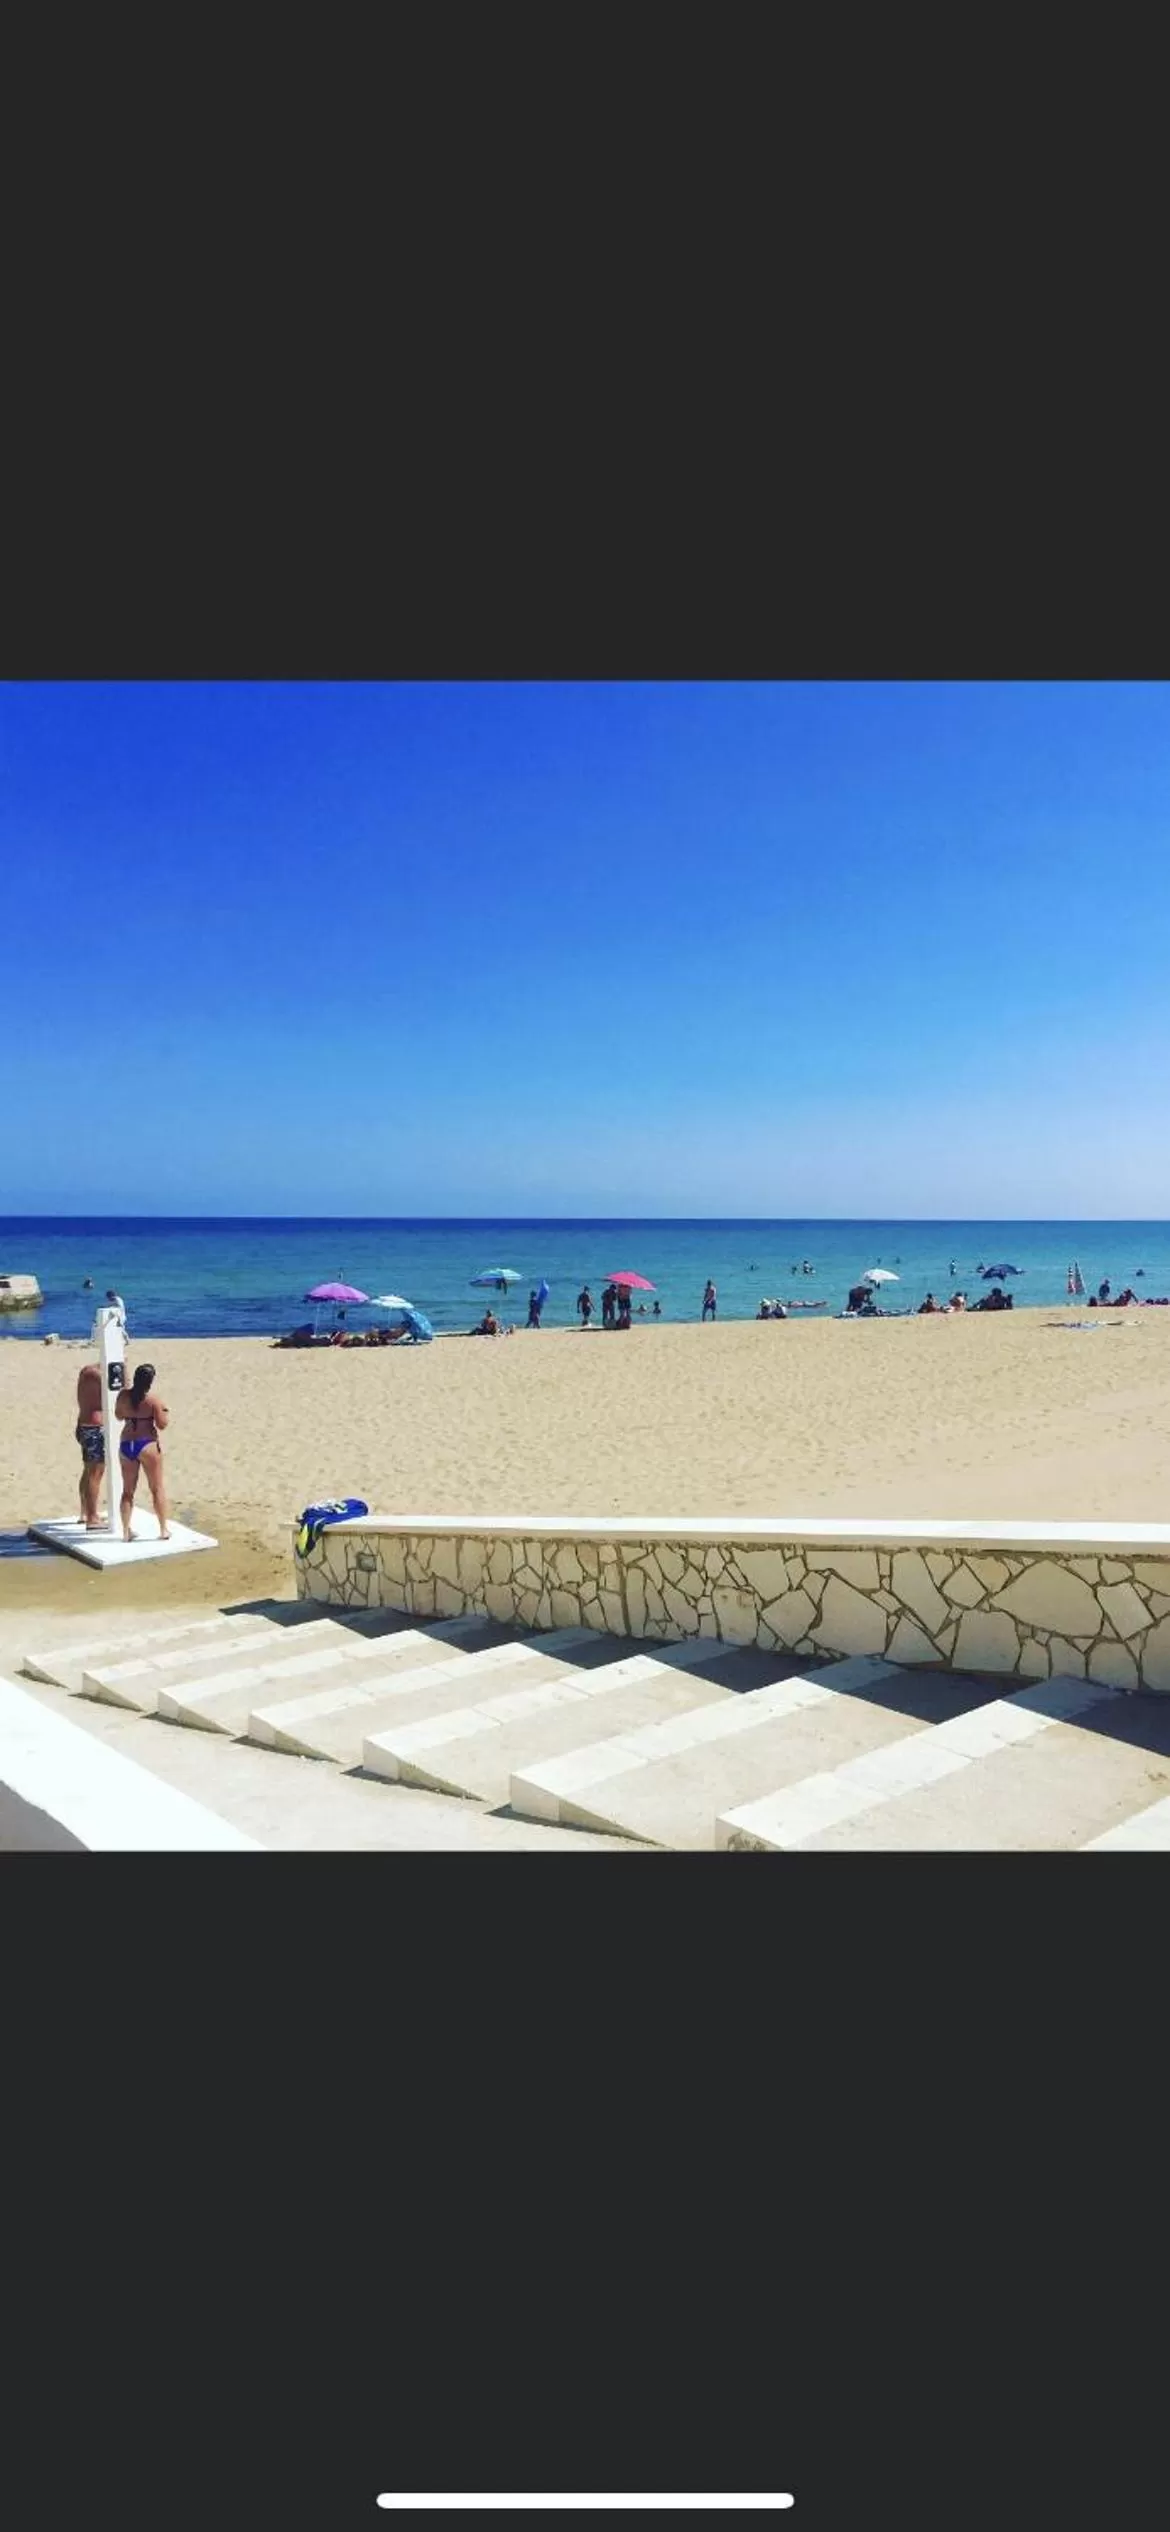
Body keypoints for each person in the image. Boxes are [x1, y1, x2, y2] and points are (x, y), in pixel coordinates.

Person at [114, 1360, 170, 1542]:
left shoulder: (123, 1396)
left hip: (127, 1443)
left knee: (127, 1491)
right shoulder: (153, 1400)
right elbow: (162, 1425)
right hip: (147, 1443)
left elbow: (118, 1415)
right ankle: (163, 1529)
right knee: (157, 1488)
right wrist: (164, 1411)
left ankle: (125, 1531)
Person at [75, 1357, 106, 1529]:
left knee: (88, 1470)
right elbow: (122, 1391)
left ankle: (84, 1512)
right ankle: (92, 1517)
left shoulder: (87, 1370)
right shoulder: (98, 1375)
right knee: (96, 1472)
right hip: (96, 1427)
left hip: (84, 1423)